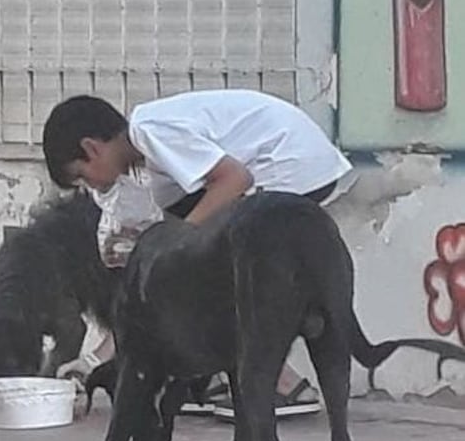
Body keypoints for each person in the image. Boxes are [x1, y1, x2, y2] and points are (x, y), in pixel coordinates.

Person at [41, 89, 354, 418]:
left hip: (294, 164)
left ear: (92, 148)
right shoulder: (160, 176)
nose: (90, 187)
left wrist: (176, 246)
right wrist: (93, 361)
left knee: (215, 269)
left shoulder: (152, 131)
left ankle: (285, 386)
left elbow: (235, 179)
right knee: (191, 269)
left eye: (81, 176)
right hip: (284, 164)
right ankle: (206, 376)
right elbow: (155, 287)